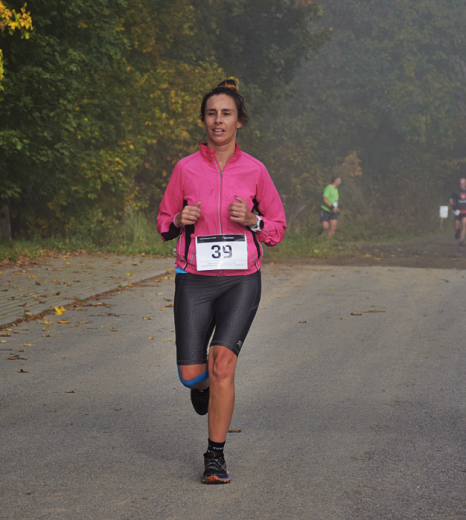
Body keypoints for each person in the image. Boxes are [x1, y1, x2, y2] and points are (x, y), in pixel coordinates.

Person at [156, 79, 286, 484]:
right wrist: (179, 220)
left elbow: (278, 229)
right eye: (212, 113)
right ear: (203, 120)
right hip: (194, 279)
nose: (218, 120)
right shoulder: (185, 168)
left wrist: (253, 220)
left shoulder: (256, 171)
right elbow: (163, 224)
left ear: (239, 121)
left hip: (241, 280)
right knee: (193, 374)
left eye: (226, 113)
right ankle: (203, 389)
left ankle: (215, 455)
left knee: (223, 363)